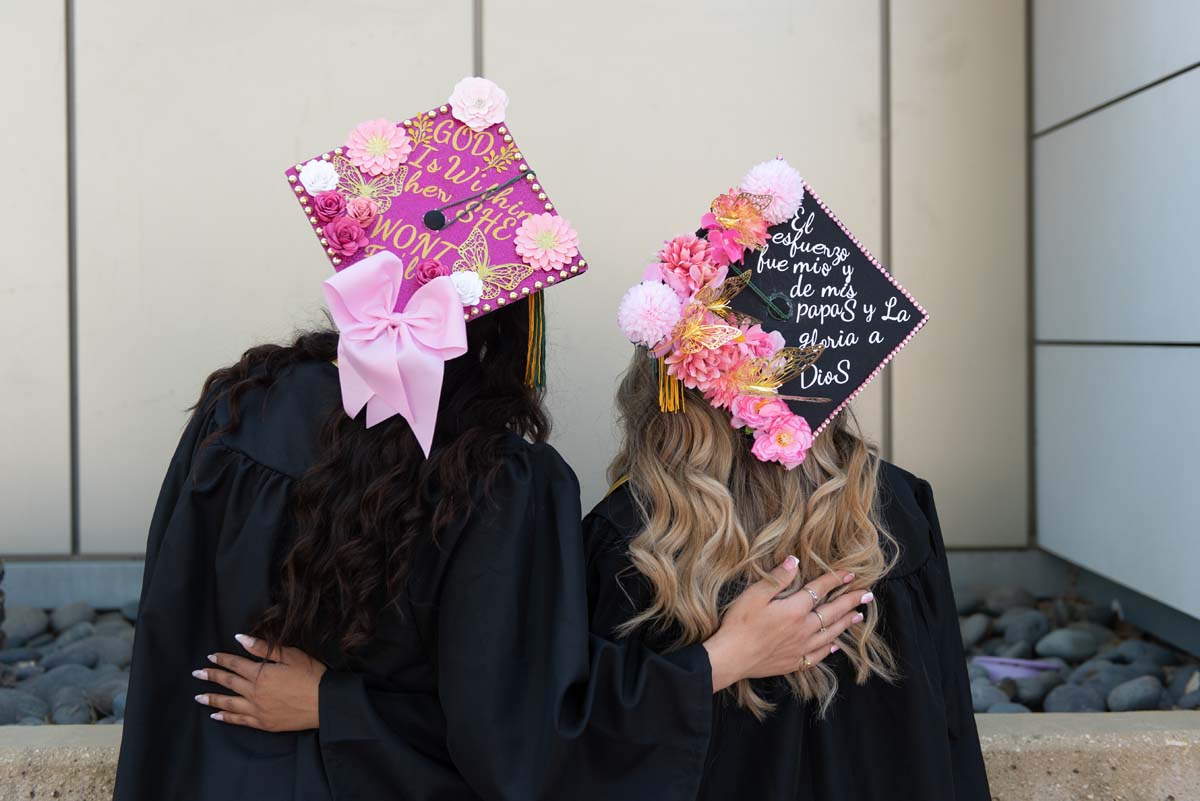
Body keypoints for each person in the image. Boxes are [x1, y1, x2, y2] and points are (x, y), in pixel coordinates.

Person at [114, 85, 869, 796]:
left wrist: (328, 706)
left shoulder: (236, 412)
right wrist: (341, 711)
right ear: (513, 323)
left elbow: (169, 628)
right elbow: (520, 744)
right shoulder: (500, 479)